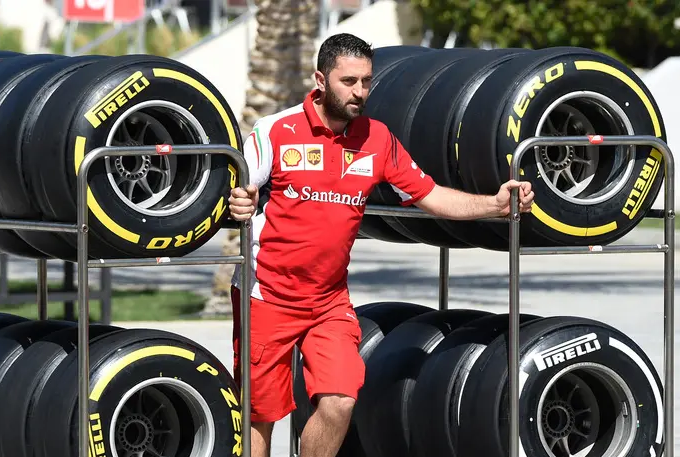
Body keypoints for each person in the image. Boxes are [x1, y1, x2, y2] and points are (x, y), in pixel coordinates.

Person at [227, 33, 534, 457]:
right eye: (348, 81)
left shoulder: (377, 138)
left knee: (340, 402)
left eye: (366, 81)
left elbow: (432, 197)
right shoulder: (274, 130)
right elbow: (241, 192)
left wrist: (496, 205)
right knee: (260, 416)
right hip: (267, 296)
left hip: (328, 303)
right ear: (320, 79)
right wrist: (240, 202)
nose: (359, 92)